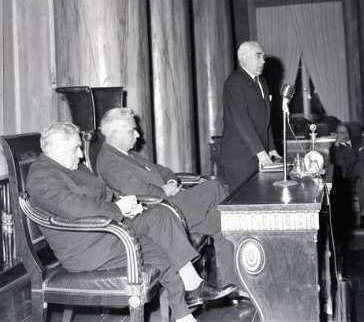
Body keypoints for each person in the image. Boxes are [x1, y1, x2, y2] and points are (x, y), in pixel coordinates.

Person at [27, 123, 236, 322]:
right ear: (57, 148)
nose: (81, 154)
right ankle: (187, 306)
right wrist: (117, 209)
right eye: (76, 148)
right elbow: (75, 207)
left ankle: (190, 292)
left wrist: (126, 205)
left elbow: (102, 194)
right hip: (87, 247)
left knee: (160, 215)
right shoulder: (41, 176)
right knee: (162, 250)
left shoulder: (73, 167)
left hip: (108, 230)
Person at [96, 107, 241, 295]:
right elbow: (137, 192)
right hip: (159, 215)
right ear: (115, 133)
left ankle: (234, 287)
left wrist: (171, 181)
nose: (138, 135)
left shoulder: (128, 154)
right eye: (132, 130)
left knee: (225, 223)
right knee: (213, 188)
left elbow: (162, 170)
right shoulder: (109, 162)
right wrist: (165, 191)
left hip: (172, 206)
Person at [219, 41, 281, 191]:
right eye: (258, 56)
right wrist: (260, 152)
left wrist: (271, 148)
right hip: (239, 157)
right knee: (245, 201)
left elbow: (265, 120)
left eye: (263, 57)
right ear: (244, 58)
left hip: (259, 153)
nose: (263, 61)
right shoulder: (234, 83)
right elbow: (241, 120)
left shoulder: (262, 82)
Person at [329, 123, 364, 227]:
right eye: (340, 133)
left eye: (345, 132)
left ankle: (363, 214)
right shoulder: (336, 148)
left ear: (349, 133)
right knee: (359, 166)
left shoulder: (360, 142)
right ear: (337, 134)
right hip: (348, 175)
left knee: (362, 181)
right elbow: (338, 164)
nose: (343, 135)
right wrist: (337, 146)